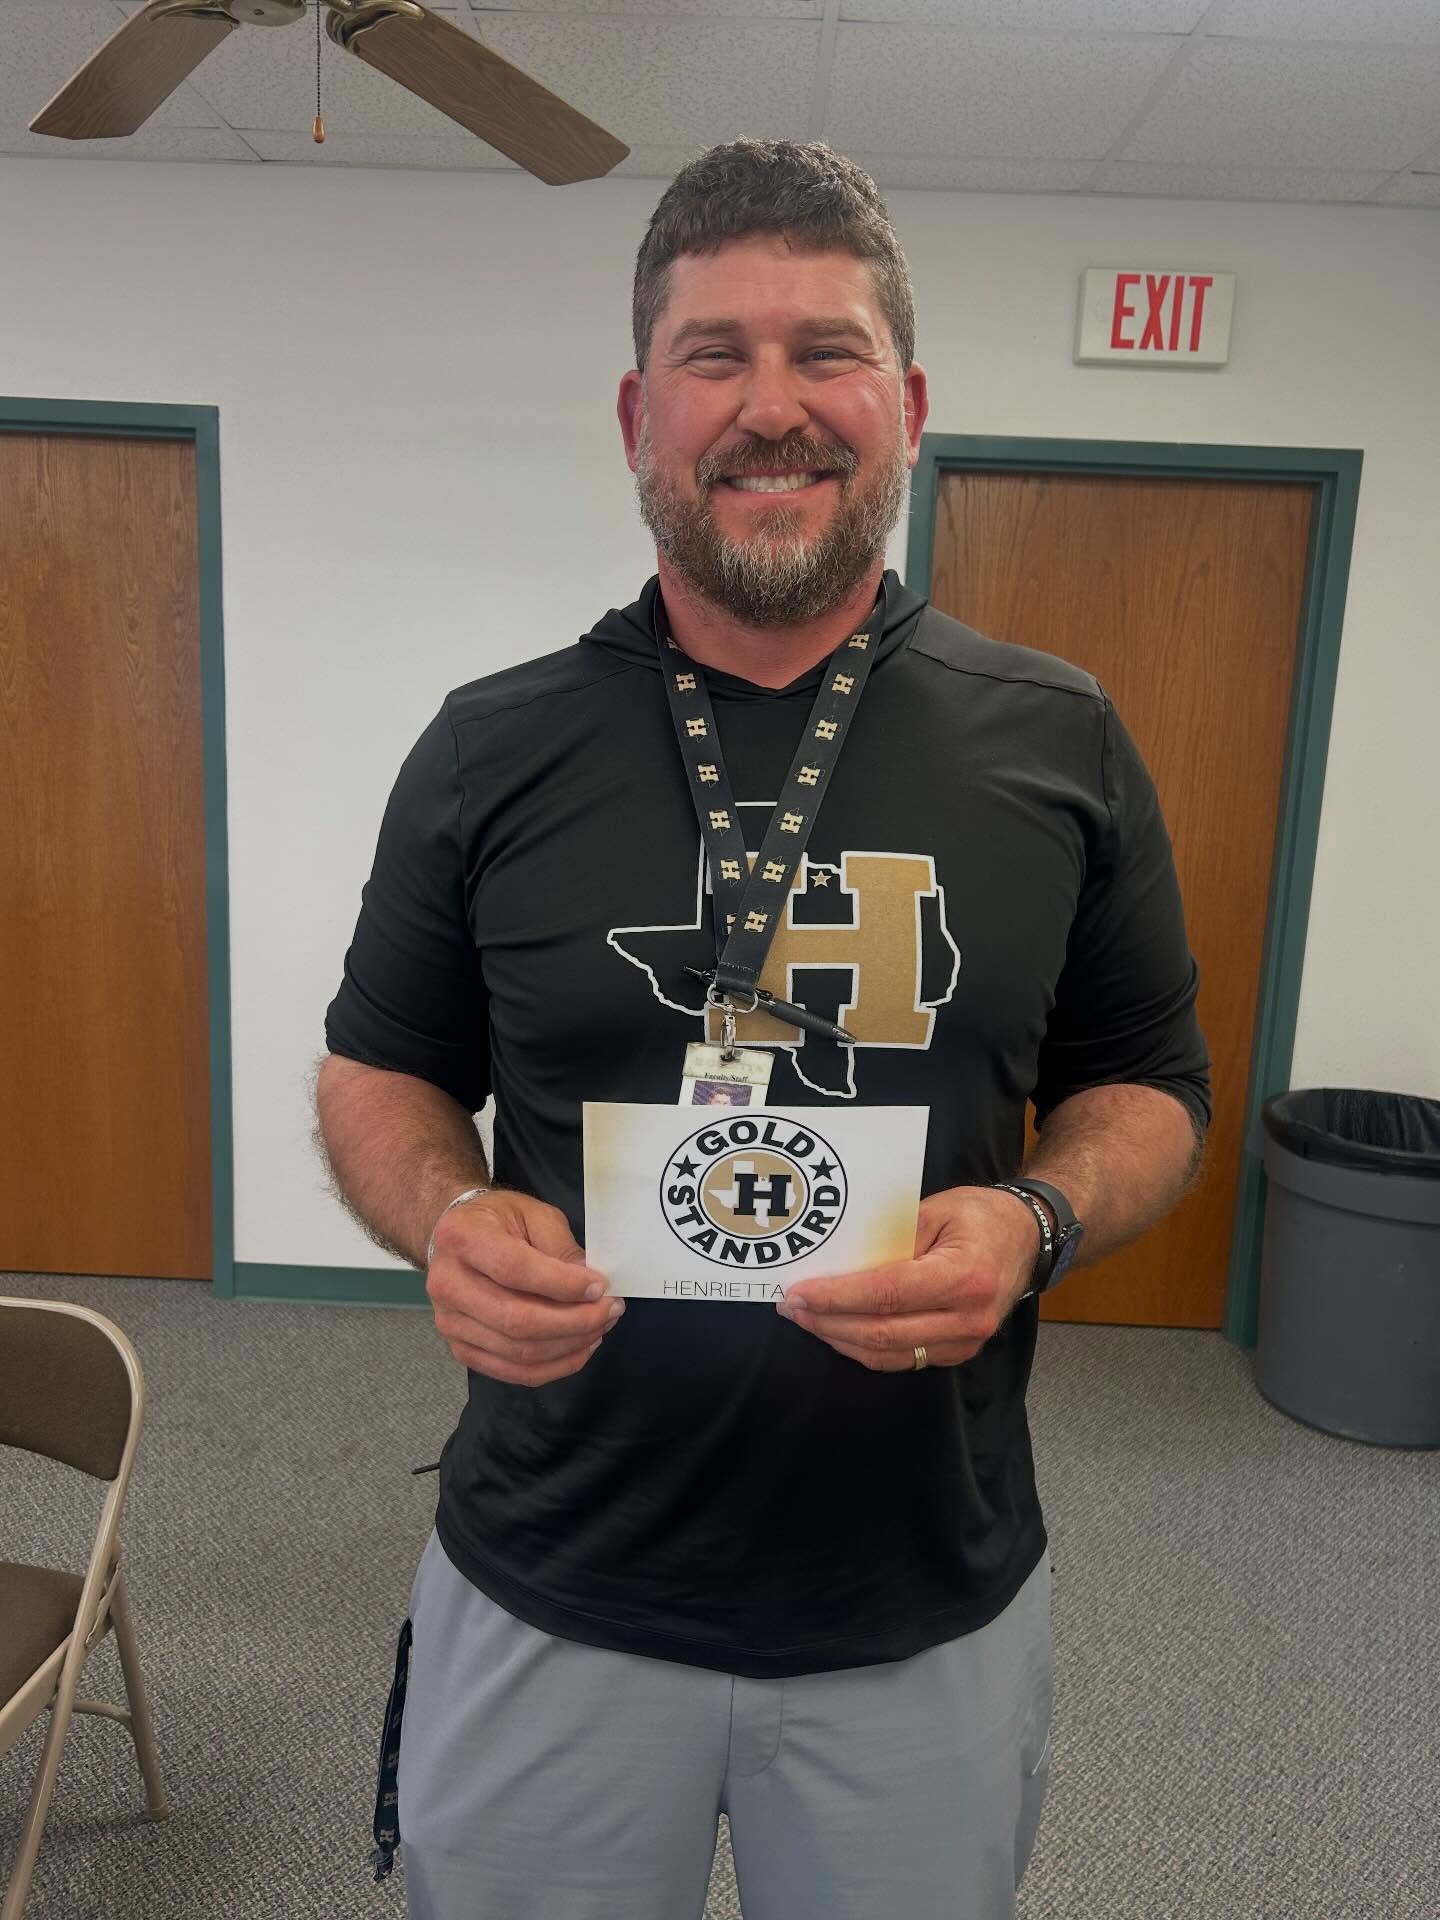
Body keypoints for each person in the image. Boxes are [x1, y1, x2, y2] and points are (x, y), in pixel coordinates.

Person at [315, 138, 1211, 1920]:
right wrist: (443, 1212)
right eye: (717, 356)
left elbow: (1151, 1087)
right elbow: (379, 1067)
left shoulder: (1064, 737)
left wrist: (1034, 1222)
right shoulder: (491, 746)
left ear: (910, 401)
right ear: (643, 411)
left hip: (918, 1597)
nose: (773, 405)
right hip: (555, 1573)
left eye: (828, 351)